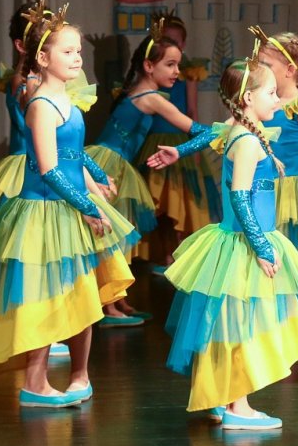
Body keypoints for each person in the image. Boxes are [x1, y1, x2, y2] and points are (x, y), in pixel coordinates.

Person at [152, 28, 298, 349]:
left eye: (267, 65)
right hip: (270, 192)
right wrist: (180, 151)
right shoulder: (258, 108)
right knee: (277, 262)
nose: (260, 69)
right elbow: (218, 131)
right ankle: (282, 327)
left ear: (289, 69)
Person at [0, 6, 139, 408]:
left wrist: (95, 179)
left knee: (81, 296)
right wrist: (86, 205)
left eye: (78, 51)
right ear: (42, 57)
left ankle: (80, 376)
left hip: (72, 208)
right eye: (67, 52)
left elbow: (74, 152)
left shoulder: (68, 99)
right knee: (43, 296)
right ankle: (35, 382)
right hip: (45, 210)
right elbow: (49, 168)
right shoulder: (40, 104)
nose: (77, 58)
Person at [163, 55, 298, 430]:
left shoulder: (240, 128)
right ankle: (237, 407)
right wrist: (262, 247)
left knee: (230, 324)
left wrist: (180, 151)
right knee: (242, 326)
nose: (278, 99)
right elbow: (240, 198)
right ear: (248, 98)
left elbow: (209, 134)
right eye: (271, 93)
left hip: (246, 239)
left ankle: (223, 399)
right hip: (246, 243)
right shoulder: (245, 140)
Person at [88, 17, 212, 323]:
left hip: (115, 163)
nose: (177, 72)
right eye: (170, 65)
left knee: (114, 236)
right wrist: (234, 129)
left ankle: (116, 301)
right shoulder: (151, 99)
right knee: (110, 238)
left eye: (178, 65)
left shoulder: (138, 92)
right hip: (109, 165)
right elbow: (198, 130)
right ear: (148, 66)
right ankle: (107, 306)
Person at [136, 13, 220, 261]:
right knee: (157, 203)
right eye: (167, 40)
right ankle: (161, 256)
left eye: (176, 41)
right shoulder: (152, 76)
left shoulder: (188, 73)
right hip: (154, 142)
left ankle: (179, 257)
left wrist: (194, 148)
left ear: (183, 44)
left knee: (182, 202)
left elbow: (191, 112)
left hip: (180, 142)